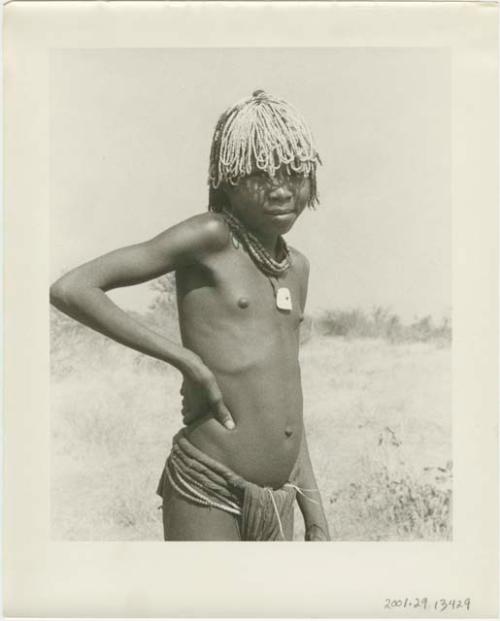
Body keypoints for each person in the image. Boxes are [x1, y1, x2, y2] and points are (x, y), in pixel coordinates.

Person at [50, 89, 331, 541]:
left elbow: (287, 403)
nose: (280, 188)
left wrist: (314, 514)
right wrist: (187, 361)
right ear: (228, 179)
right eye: (259, 172)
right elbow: (73, 288)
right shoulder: (210, 237)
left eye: (294, 172)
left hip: (279, 499)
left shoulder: (296, 267)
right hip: (208, 487)